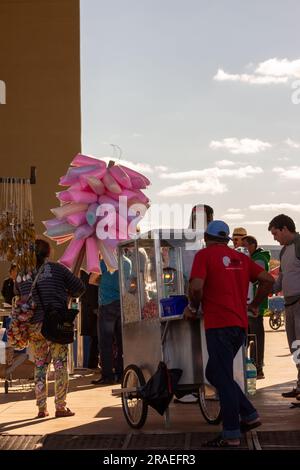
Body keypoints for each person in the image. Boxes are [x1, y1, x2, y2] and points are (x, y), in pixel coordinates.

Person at [184, 220, 274, 447]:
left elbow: (195, 287)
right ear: (227, 239)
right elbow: (268, 280)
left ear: (206, 237)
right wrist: (255, 304)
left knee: (221, 378)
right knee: (215, 373)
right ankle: (250, 415)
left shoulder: (204, 256)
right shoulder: (242, 259)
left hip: (218, 325)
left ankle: (232, 433)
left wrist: (193, 308)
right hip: (239, 326)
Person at [15, 239, 85, 418]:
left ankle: (41, 408)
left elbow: (19, 295)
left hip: (34, 327)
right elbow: (80, 287)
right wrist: (65, 294)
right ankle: (60, 407)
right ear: (48, 253)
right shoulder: (57, 269)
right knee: (60, 364)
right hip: (55, 325)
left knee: (40, 366)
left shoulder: (22, 274)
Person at [268, 214, 300, 399]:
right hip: (289, 305)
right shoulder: (283, 251)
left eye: (275, 233)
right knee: (295, 348)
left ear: (285, 229)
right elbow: (282, 278)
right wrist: (267, 287)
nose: (274, 238)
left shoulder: (298, 244)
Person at [92, 256, 131, 385]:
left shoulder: (103, 262)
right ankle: (121, 374)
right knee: (121, 344)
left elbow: (92, 280)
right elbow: (127, 283)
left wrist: (103, 281)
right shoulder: (127, 262)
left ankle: (107, 376)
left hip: (106, 305)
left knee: (105, 343)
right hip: (122, 304)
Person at [242, 235, 271, 379]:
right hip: (249, 304)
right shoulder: (252, 259)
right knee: (247, 338)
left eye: (246, 245)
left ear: (253, 245)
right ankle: (248, 366)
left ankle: (257, 368)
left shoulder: (258, 259)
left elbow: (253, 280)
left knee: (256, 338)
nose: (244, 248)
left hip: (255, 305)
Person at [79, 270, 99, 370]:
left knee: (94, 337)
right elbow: (91, 290)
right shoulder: (90, 271)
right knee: (95, 337)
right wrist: (95, 307)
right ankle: (92, 363)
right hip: (93, 307)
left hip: (90, 306)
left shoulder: (84, 271)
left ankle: (92, 363)